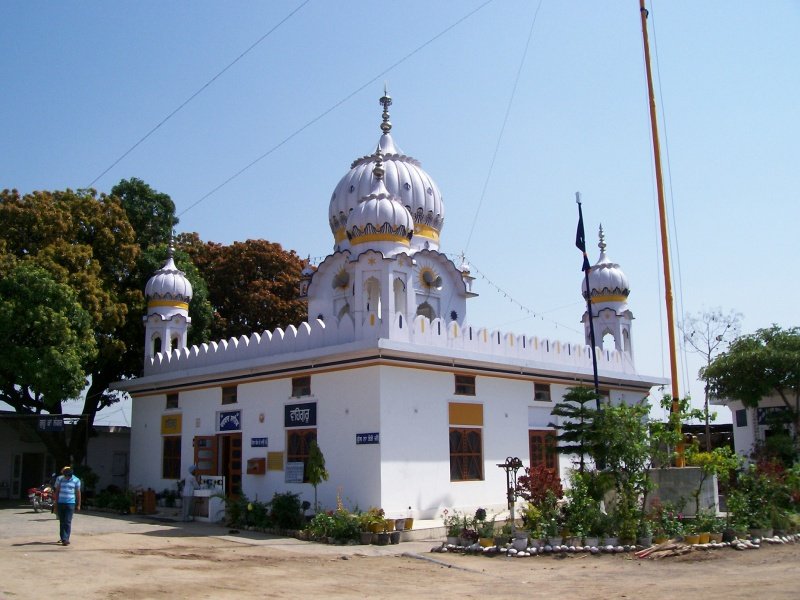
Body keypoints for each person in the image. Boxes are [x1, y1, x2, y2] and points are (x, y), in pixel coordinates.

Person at [54, 466, 81, 546]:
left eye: (67, 476)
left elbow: (78, 492)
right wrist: (56, 503)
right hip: (60, 503)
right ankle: (63, 538)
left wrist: (78, 504)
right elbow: (57, 491)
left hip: (70, 503)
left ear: (71, 475)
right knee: (62, 521)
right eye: (65, 475)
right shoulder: (61, 479)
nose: (66, 477)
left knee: (67, 521)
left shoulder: (76, 480)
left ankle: (66, 539)